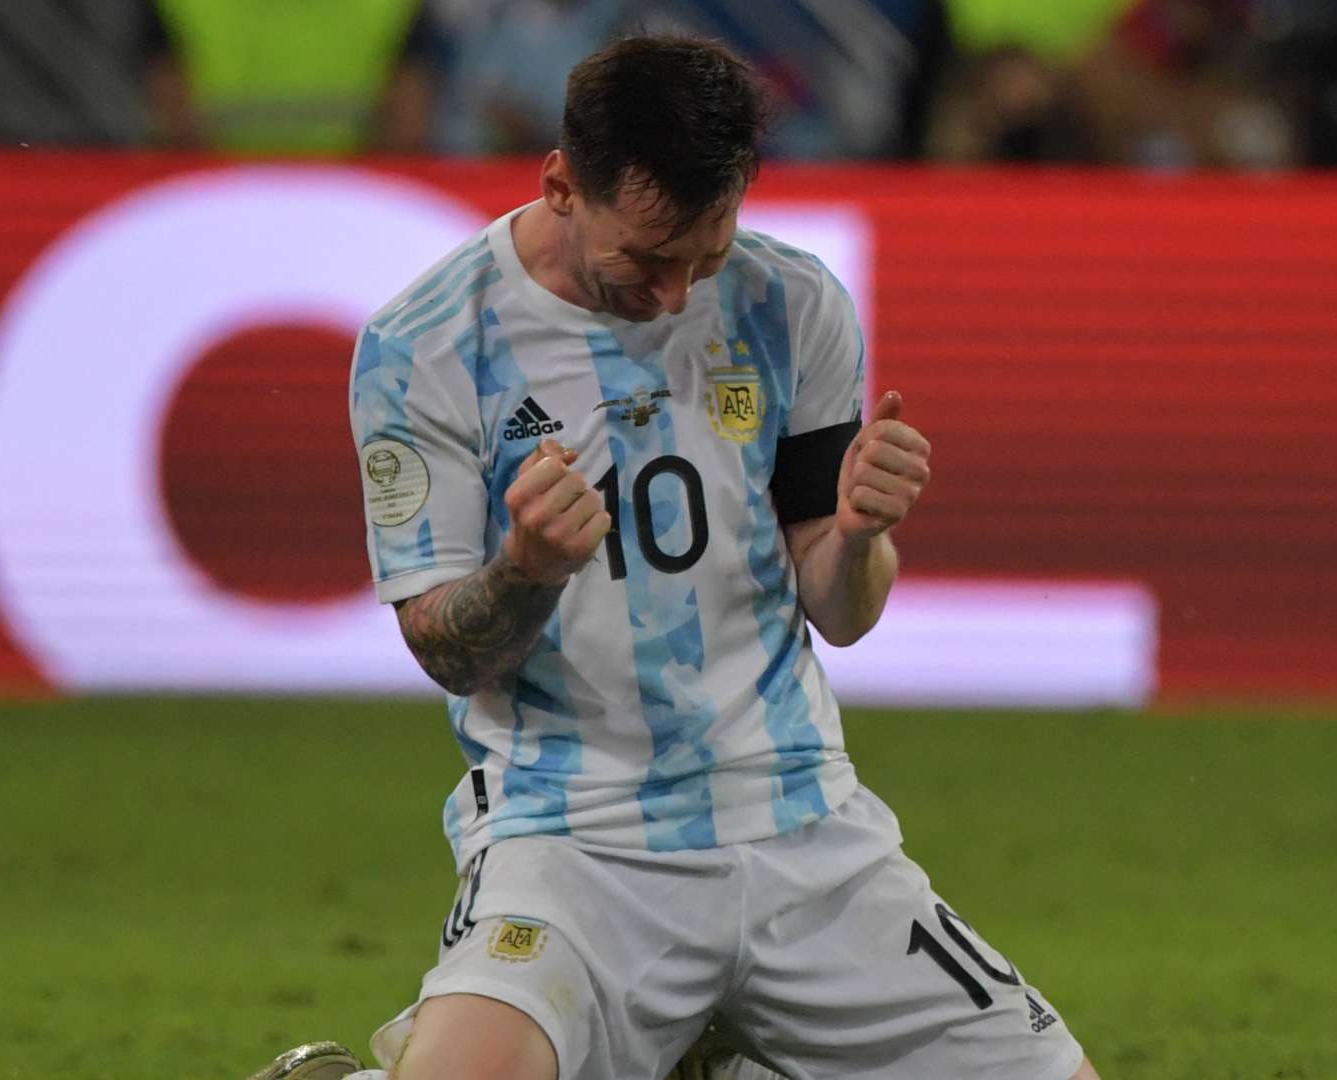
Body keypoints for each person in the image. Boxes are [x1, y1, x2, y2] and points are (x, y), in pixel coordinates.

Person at [247, 34, 1099, 1080]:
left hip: (801, 825)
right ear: (561, 186)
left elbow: (841, 611)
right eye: (646, 262)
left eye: (708, 254)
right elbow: (445, 651)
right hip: (573, 839)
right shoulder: (425, 344)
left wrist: (859, 535)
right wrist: (526, 568)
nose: (679, 297)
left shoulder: (791, 302)